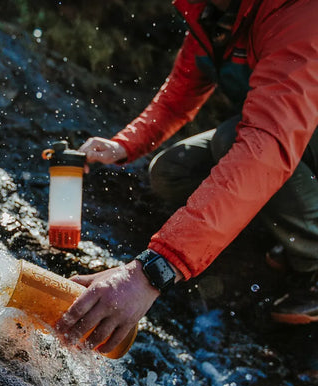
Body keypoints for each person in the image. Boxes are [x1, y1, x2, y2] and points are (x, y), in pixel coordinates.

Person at [56, 0, 318, 355]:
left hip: (287, 135)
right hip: (285, 136)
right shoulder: (211, 13)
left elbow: (265, 150)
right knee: (171, 170)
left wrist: (151, 272)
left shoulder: (299, 12)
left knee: (232, 141)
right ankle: (282, 233)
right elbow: (179, 97)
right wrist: (123, 145)